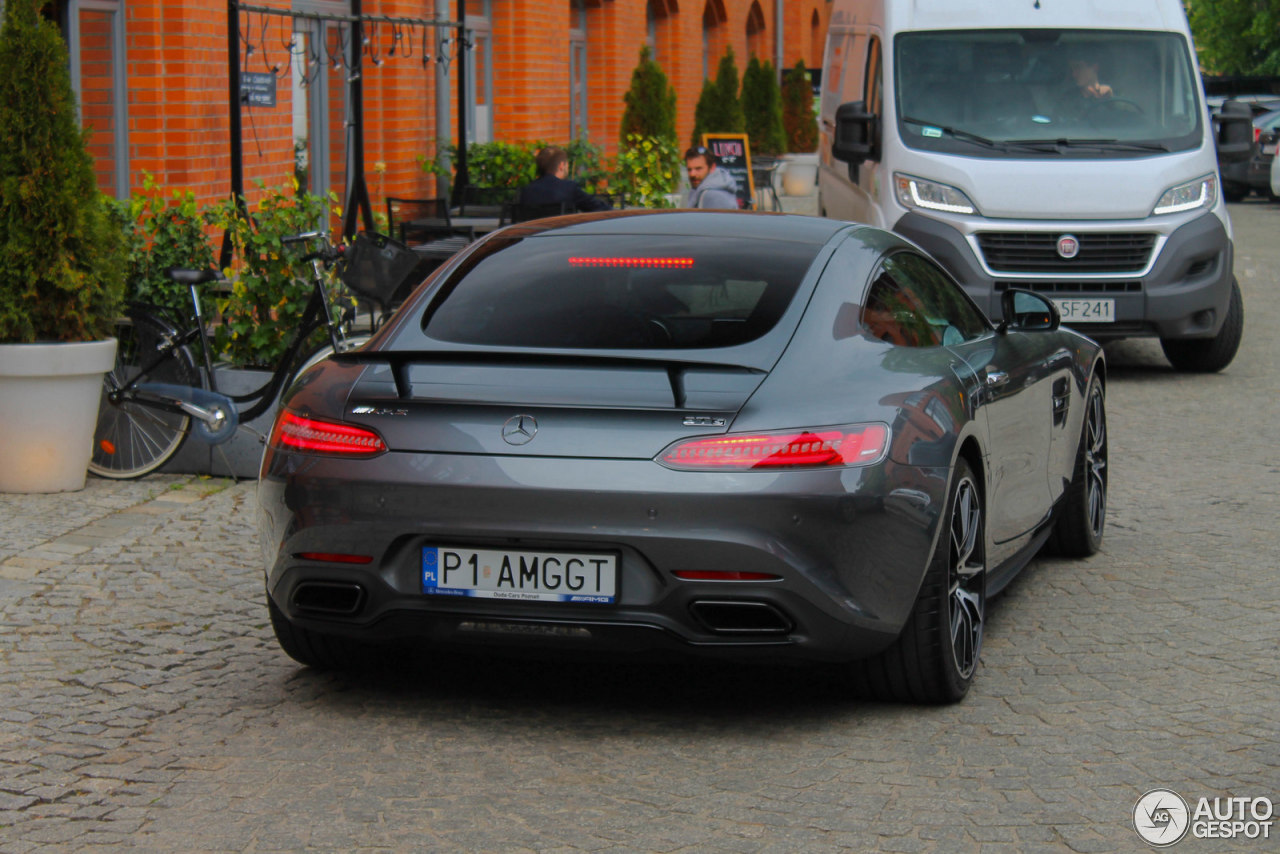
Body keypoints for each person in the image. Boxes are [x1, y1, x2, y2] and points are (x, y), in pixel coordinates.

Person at [517, 146, 611, 212]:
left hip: (535, 239)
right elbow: (598, 208)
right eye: (567, 164)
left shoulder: (527, 191)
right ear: (561, 166)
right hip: (563, 239)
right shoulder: (569, 188)